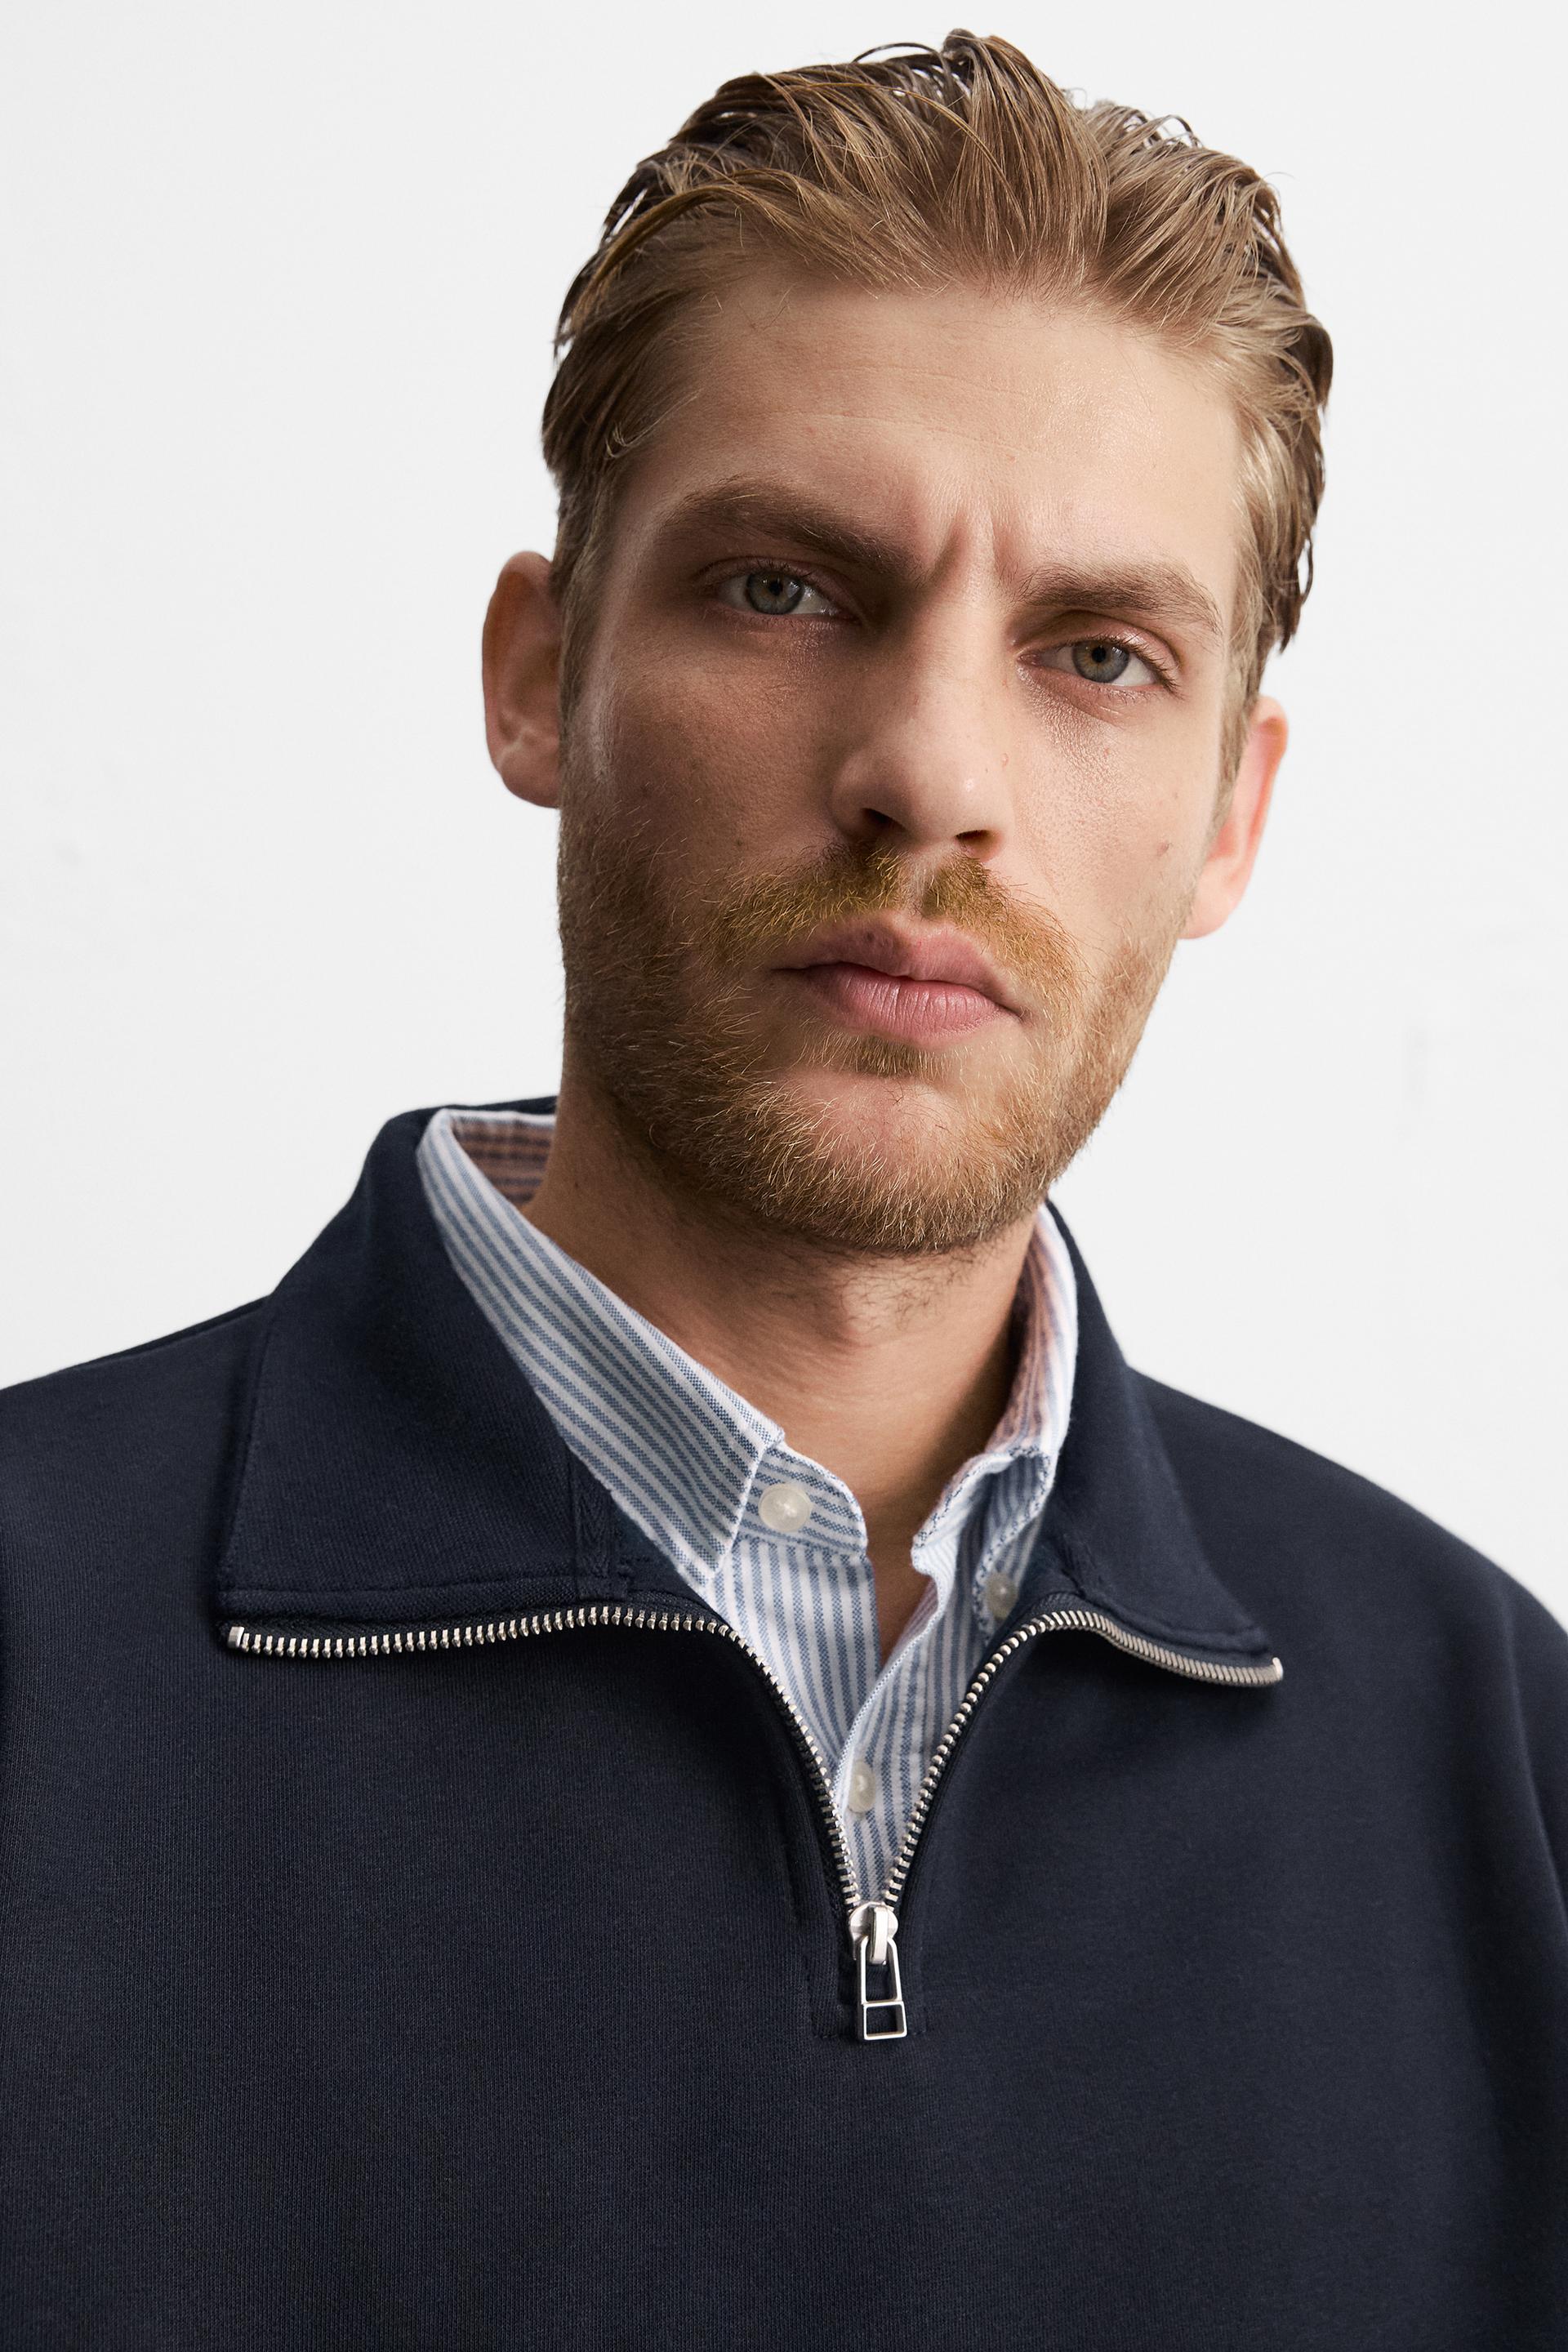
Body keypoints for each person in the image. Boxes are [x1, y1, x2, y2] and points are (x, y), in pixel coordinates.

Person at [2, 29, 1564, 2348]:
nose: (931, 772)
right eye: (786, 591)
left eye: (1099, 653)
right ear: (539, 676)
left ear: (1232, 817)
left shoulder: (1499, 1769)